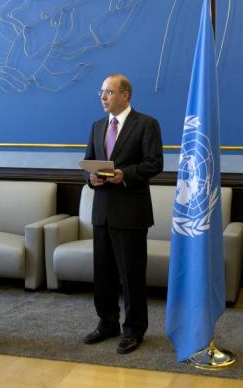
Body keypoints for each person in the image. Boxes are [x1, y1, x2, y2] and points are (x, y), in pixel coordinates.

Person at [81, 74, 163, 354]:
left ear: (125, 95)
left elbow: (154, 164)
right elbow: (89, 162)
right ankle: (107, 323)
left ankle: (134, 328)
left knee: (131, 274)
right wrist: (90, 178)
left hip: (131, 212)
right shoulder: (97, 125)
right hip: (102, 210)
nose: (103, 97)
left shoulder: (147, 124)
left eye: (109, 92)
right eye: (101, 92)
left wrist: (124, 174)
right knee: (102, 273)